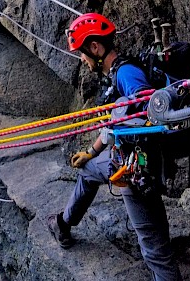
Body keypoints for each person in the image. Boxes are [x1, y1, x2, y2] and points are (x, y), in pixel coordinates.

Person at [47, 13, 182, 281]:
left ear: (95, 47)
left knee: (155, 251)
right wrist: (93, 152)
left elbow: (147, 110)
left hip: (135, 169)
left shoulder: (127, 74)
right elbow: (115, 123)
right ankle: (64, 223)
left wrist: (125, 123)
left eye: (82, 53)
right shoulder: (118, 71)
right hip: (126, 159)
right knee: (87, 170)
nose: (82, 60)